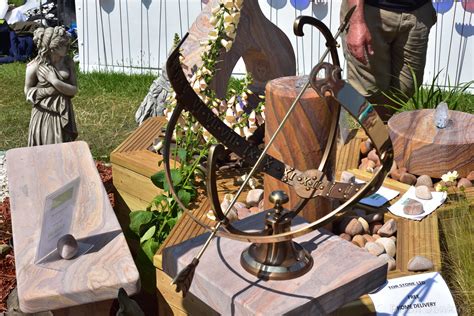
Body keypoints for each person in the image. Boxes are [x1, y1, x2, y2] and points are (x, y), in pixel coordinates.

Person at [341, 0, 437, 121]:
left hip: (417, 12)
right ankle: (375, 132)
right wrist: (356, 21)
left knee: (407, 86)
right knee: (370, 88)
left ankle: (380, 127)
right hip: (371, 10)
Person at [24, 26, 78, 146]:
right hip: (44, 114)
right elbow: (28, 92)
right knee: (48, 147)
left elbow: (74, 90)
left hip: (64, 110)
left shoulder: (68, 62)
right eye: (63, 44)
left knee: (64, 147)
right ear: (52, 48)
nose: (68, 47)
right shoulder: (34, 66)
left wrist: (55, 81)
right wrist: (50, 91)